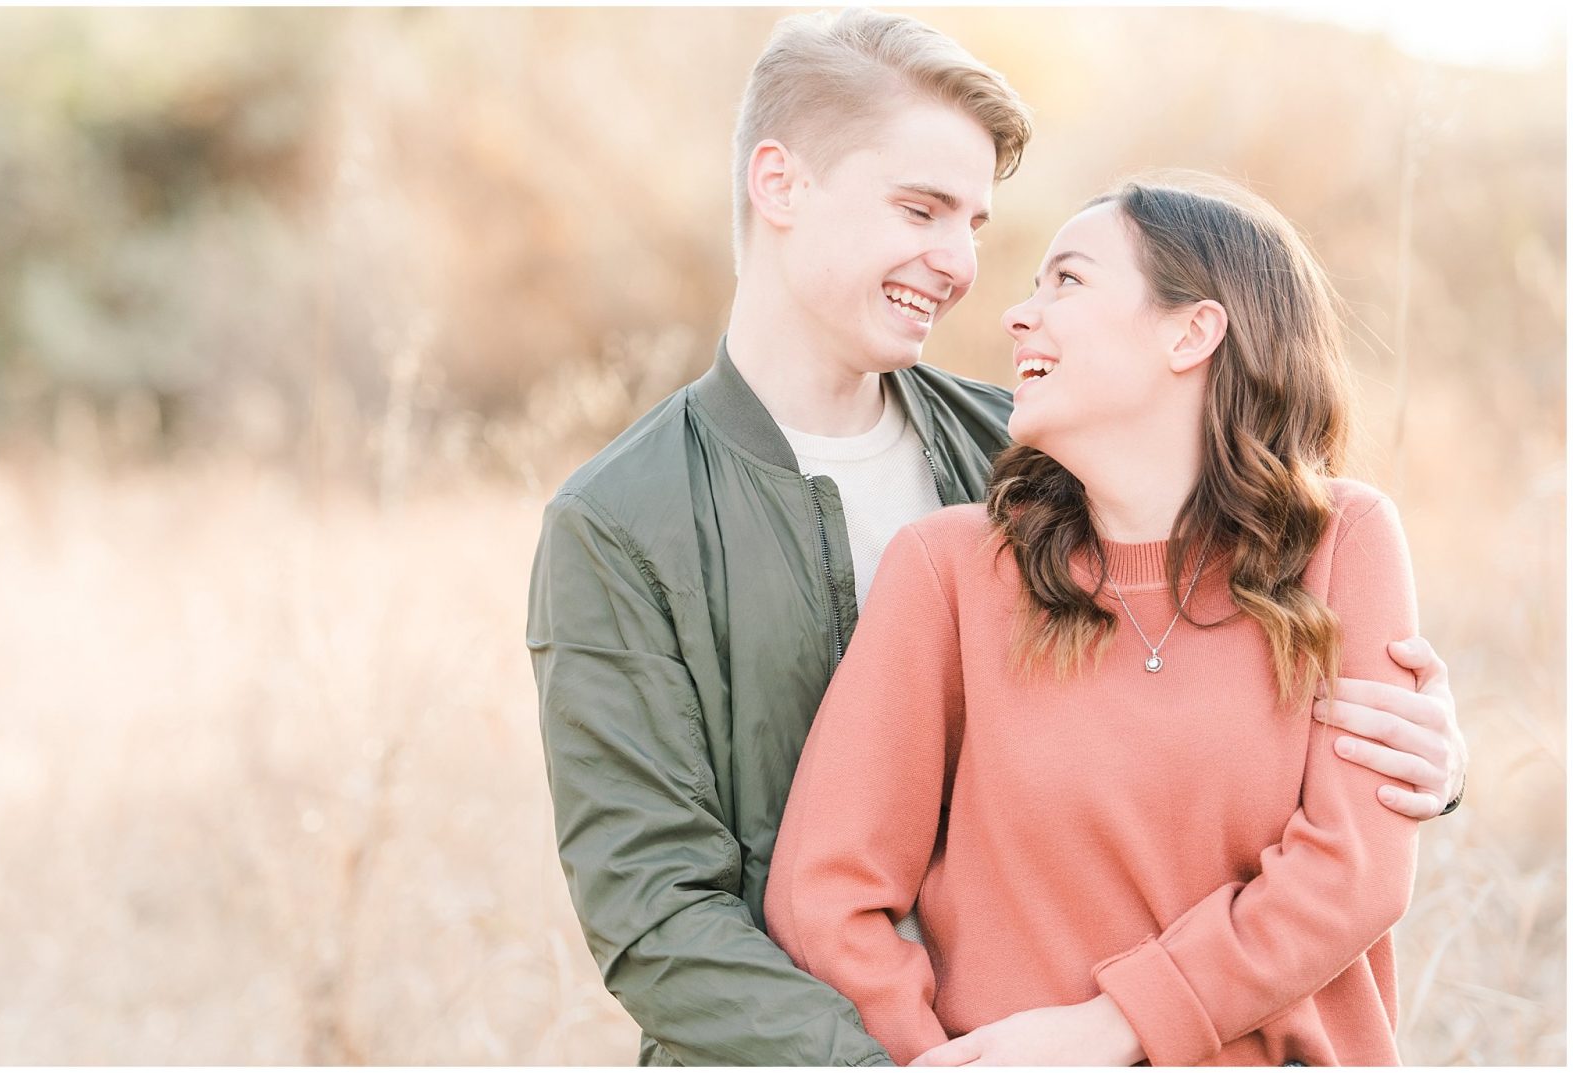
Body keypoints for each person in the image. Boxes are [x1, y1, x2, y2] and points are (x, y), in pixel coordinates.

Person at [527, 11, 1466, 1066]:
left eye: (974, 221)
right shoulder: (619, 523)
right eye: (921, 209)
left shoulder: (1040, 456)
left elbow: (1243, 670)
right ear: (780, 183)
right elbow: (656, 918)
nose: (963, 264)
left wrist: (1415, 759)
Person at [765, 175, 1441, 1066]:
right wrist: (938, 1058)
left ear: (1191, 331)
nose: (1017, 314)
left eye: (1067, 282)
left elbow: (1353, 875)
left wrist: (1110, 1027)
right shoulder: (952, 570)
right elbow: (823, 891)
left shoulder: (1343, 541)